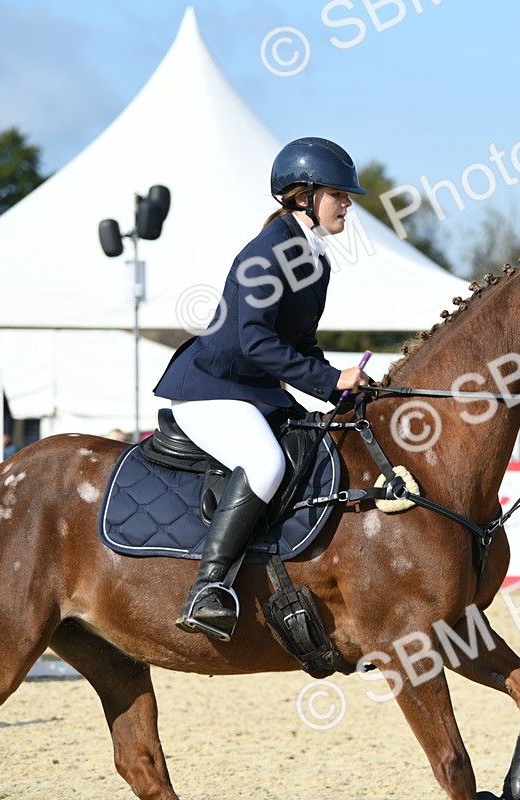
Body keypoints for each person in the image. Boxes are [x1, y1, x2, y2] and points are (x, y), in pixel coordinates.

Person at [153, 137, 370, 639]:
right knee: (267, 463)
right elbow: (254, 341)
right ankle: (208, 589)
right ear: (303, 197)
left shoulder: (314, 259)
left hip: (253, 391)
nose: (347, 204)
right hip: (212, 389)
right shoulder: (268, 252)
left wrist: (342, 390)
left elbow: (301, 343)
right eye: (338, 195)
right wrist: (327, 380)